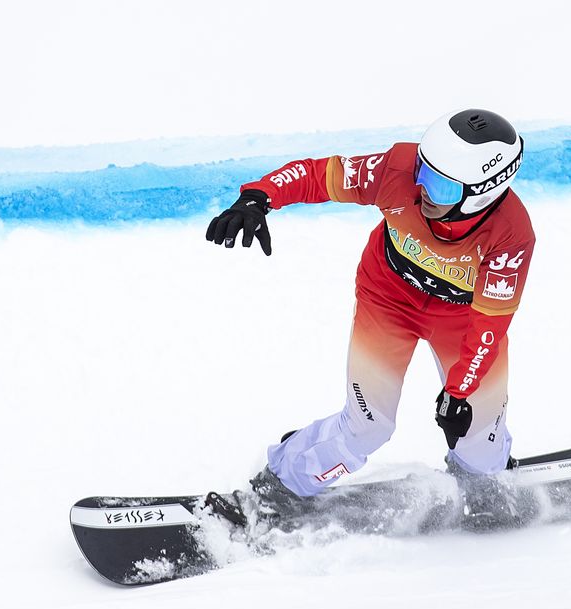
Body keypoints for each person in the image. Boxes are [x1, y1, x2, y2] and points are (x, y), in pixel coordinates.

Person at [205, 109, 535, 529]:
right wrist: (259, 197)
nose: (421, 188)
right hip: (388, 300)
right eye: (423, 169)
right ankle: (283, 483)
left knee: (480, 450)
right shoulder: (397, 171)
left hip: (463, 321)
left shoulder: (511, 235)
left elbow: (489, 328)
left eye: (440, 184)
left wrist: (458, 392)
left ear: (482, 193)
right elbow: (316, 175)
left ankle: (484, 472)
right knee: (367, 427)